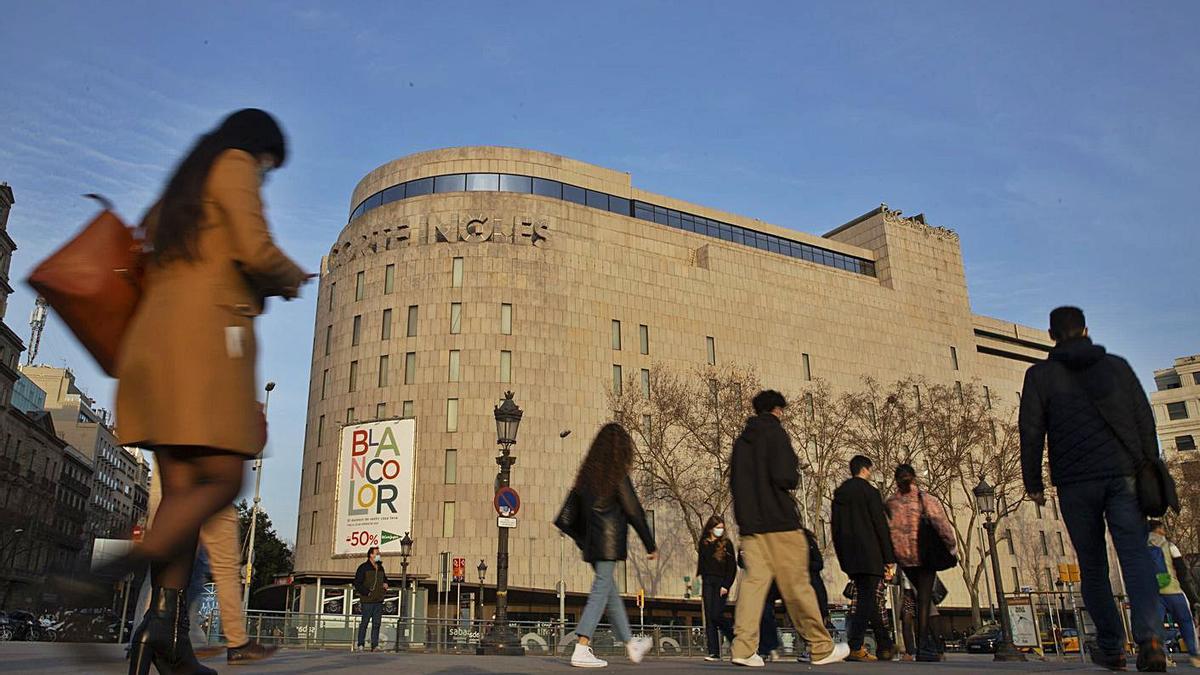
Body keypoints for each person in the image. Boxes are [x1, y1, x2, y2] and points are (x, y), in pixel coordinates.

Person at [111, 108, 311, 674]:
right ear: (260, 148)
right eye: (270, 162)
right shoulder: (235, 165)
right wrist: (290, 276)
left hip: (154, 350)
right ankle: (116, 568)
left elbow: (181, 258)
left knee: (180, 496)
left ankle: (164, 635)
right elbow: (254, 247)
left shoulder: (180, 189)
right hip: (204, 347)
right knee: (226, 477)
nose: (266, 172)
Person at [1020, 306, 1166, 672]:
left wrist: (1033, 482)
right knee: (1134, 558)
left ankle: (1111, 646)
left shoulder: (1040, 376)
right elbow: (1144, 420)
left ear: (1051, 335)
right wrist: (1150, 464)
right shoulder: (1117, 366)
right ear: (1087, 330)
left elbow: (1031, 431)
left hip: (1075, 482)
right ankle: (1150, 641)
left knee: (1093, 565)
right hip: (1123, 476)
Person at [729, 390, 849, 667]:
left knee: (752, 586)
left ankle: (743, 648)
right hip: (780, 522)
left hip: (751, 526)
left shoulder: (741, 443)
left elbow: (736, 484)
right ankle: (820, 647)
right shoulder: (776, 433)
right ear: (777, 409)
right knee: (797, 585)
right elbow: (785, 476)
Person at [131, 466, 275, 664]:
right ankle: (233, 642)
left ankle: (152, 637)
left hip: (178, 477)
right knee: (219, 561)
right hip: (202, 475)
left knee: (181, 566)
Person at [567, 423, 656, 669]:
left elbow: (575, 513)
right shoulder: (616, 475)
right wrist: (650, 544)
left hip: (590, 544)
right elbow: (635, 511)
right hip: (607, 542)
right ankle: (582, 646)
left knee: (610, 592)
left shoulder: (587, 478)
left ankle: (631, 644)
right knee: (601, 590)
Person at [886, 463, 956, 662]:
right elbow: (942, 525)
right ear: (914, 479)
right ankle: (925, 645)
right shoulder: (925, 500)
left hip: (904, 558)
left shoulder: (891, 503)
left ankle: (925, 645)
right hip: (924, 554)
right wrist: (951, 547)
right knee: (924, 600)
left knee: (921, 599)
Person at [831, 455, 896, 662]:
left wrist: (842, 557)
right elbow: (880, 525)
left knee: (868, 599)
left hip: (850, 553)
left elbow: (836, 529)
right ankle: (855, 644)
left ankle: (885, 645)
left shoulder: (840, 494)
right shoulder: (870, 492)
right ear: (865, 470)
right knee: (867, 599)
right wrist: (888, 557)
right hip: (870, 553)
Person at [1148, 521, 1199, 666]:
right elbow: (1182, 572)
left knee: (1156, 626)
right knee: (1186, 622)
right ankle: (1195, 656)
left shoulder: (1142, 548)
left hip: (1154, 593)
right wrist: (1192, 596)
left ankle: (1162, 657)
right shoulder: (1169, 546)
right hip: (1173, 590)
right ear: (1159, 529)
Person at [697, 516, 737, 661]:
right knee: (709, 617)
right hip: (708, 581)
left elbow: (732, 567)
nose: (720, 530)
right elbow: (702, 562)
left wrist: (726, 585)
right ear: (711, 528)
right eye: (717, 527)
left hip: (721, 582)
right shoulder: (704, 543)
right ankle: (714, 651)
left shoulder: (726, 544)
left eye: (722, 527)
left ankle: (733, 637)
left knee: (716, 614)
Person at [353, 546, 389, 652]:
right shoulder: (363, 567)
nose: (379, 555)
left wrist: (386, 583)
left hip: (378, 600)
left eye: (379, 553)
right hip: (367, 601)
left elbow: (385, 579)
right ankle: (360, 644)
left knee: (376, 624)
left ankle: (374, 645)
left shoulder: (381, 568)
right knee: (364, 622)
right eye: (377, 553)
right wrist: (367, 592)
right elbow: (357, 583)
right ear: (371, 555)